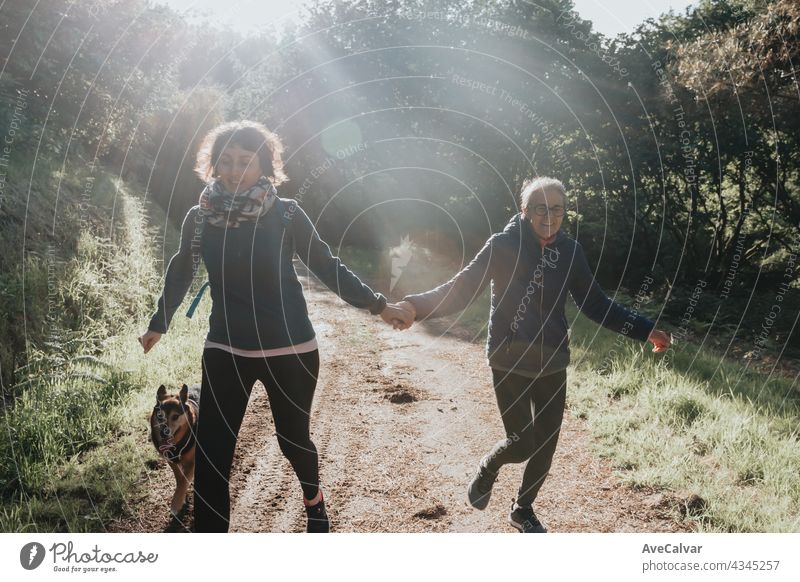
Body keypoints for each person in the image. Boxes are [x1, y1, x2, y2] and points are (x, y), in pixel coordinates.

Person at [138, 120, 410, 533]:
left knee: (293, 440)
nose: (232, 170)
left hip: (290, 349)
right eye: (225, 161)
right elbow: (181, 270)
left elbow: (327, 267)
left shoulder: (285, 214)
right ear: (213, 165)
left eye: (244, 162)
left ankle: (313, 499)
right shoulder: (201, 217)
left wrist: (378, 305)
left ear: (264, 166)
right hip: (226, 348)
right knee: (213, 454)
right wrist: (160, 322)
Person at [391, 177, 671, 533]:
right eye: (541, 208)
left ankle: (522, 509)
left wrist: (645, 329)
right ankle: (489, 467)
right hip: (508, 357)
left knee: (547, 443)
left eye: (557, 209)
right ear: (524, 211)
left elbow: (596, 304)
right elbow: (461, 289)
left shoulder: (571, 252)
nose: (549, 215)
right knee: (522, 442)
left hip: (552, 357)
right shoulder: (502, 246)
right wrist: (416, 306)